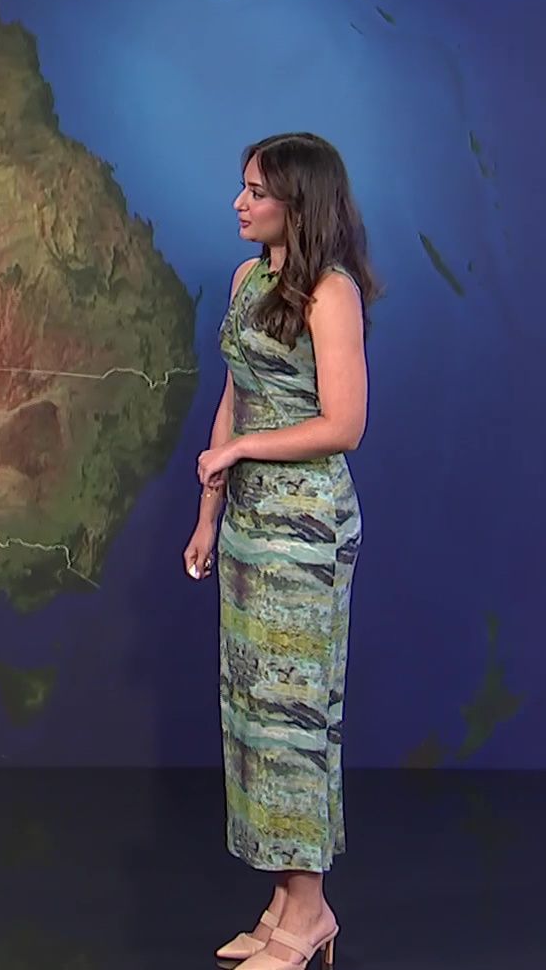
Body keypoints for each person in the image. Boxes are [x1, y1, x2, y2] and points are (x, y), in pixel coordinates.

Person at [183, 132, 377, 968]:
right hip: (249, 526)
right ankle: (285, 900)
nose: (240, 203)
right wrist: (208, 514)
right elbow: (236, 397)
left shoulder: (331, 293)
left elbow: (344, 424)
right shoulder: (246, 282)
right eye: (244, 188)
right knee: (253, 714)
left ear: (299, 203)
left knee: (296, 717)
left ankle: (309, 913)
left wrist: (243, 451)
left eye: (256, 191)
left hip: (306, 530)